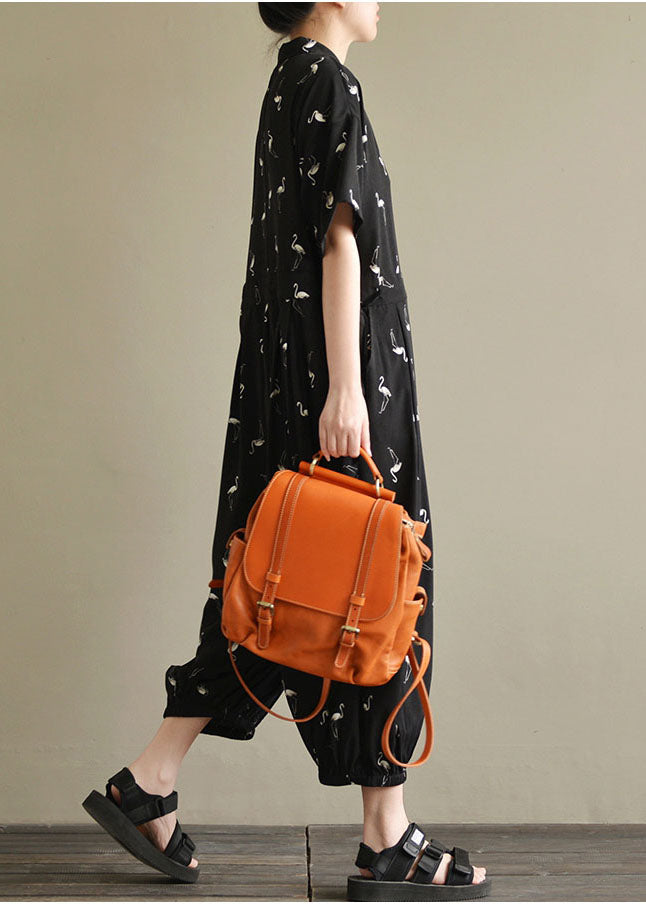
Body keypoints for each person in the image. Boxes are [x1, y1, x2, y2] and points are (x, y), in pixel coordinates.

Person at [83, 3, 490, 899]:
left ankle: (151, 778)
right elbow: (340, 239)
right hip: (337, 386)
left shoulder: (289, 81)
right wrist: (347, 389)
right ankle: (384, 837)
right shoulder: (327, 82)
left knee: (281, 585)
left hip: (289, 383)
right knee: (372, 585)